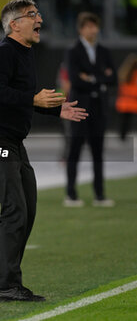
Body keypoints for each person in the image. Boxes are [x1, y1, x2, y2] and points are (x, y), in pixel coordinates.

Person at [0, 0, 88, 302]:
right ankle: (8, 285)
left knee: (28, 210)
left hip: (12, 142)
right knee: (15, 210)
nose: (39, 19)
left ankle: (2, 279)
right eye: (31, 14)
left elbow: (24, 96)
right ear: (14, 24)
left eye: (38, 13)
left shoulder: (24, 54)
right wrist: (35, 100)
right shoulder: (3, 52)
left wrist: (54, 110)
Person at [64, 12, 117, 207]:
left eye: (94, 26)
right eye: (88, 26)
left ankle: (99, 195)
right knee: (75, 151)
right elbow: (75, 79)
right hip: (79, 108)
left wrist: (91, 78)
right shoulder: (73, 50)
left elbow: (114, 78)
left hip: (99, 107)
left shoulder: (104, 50)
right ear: (80, 29)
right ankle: (71, 194)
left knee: (98, 152)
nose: (92, 30)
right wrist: (101, 78)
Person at [116, 54, 137, 140]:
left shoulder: (124, 73)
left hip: (123, 103)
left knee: (124, 122)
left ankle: (122, 138)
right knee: (126, 122)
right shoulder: (133, 74)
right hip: (132, 102)